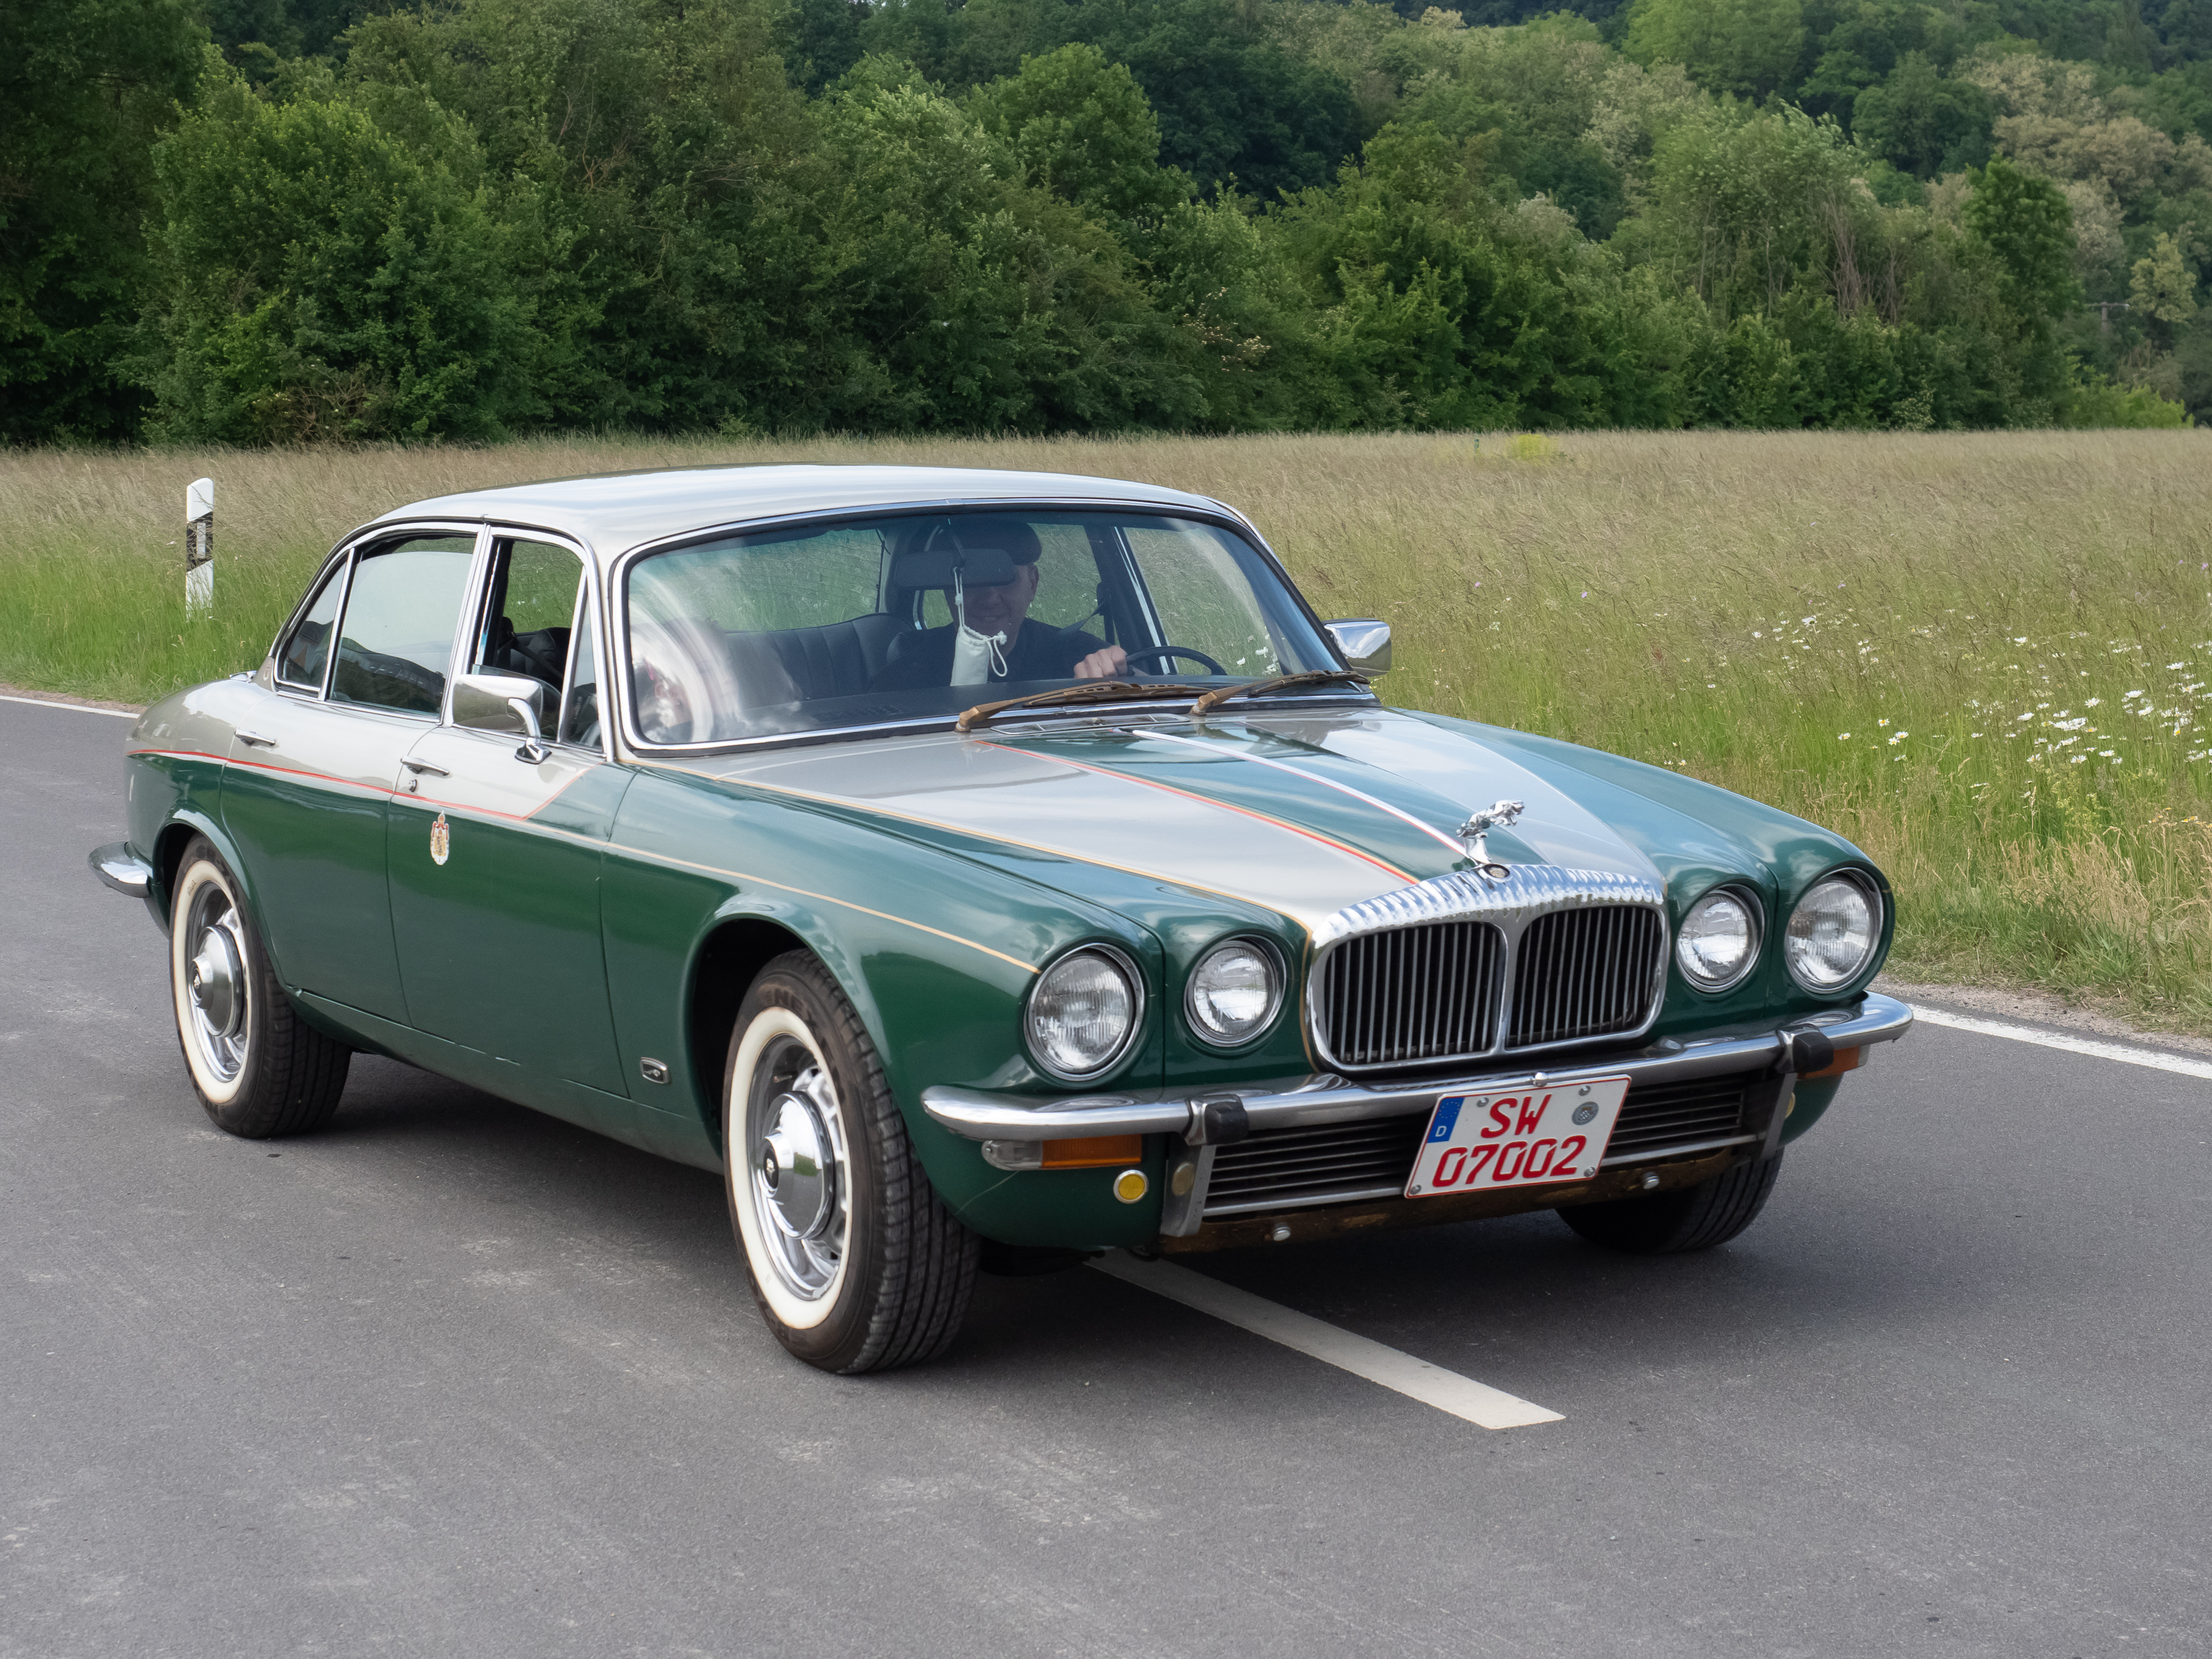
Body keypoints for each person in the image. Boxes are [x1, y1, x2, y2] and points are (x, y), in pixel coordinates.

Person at [870, 521, 1127, 691]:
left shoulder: (1083, 660)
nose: (990, 597)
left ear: (1033, 585)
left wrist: (1105, 691)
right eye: (972, 580)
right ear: (951, 591)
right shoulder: (906, 679)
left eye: (1007, 579)